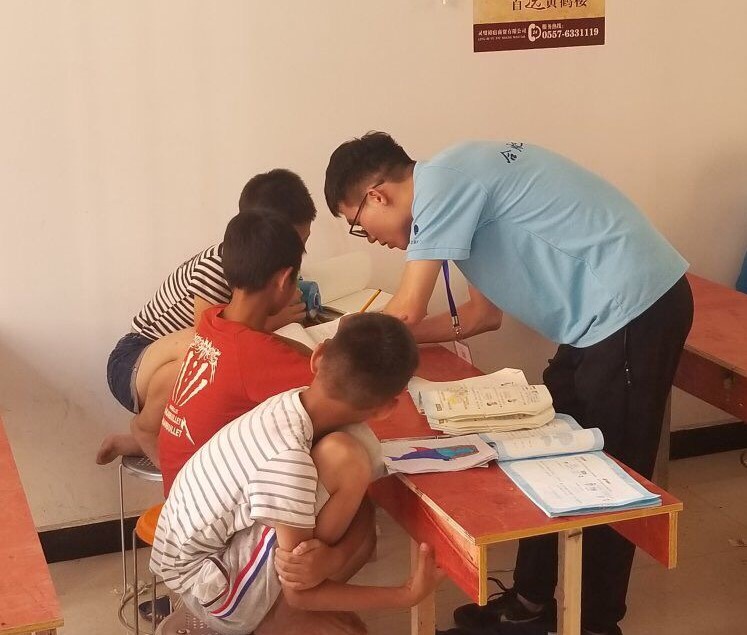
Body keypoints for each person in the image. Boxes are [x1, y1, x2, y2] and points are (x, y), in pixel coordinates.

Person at [324, 132, 694, 635]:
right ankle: (529, 604)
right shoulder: (454, 188)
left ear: (376, 196)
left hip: (634, 308)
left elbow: (406, 310)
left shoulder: (442, 187)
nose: (374, 239)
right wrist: (384, 336)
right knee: (545, 451)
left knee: (610, 477)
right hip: (599, 322)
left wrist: (339, 345)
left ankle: (596, 623)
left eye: (359, 226)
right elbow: (481, 316)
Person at [151, 312, 444, 635]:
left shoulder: (291, 405)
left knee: (350, 457)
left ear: (317, 356)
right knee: (347, 459)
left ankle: (287, 607)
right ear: (387, 408)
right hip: (210, 591)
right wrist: (406, 594)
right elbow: (301, 592)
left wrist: (333, 558)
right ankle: (276, 619)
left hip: (194, 556)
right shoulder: (289, 462)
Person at [97, 169, 315, 466]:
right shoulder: (216, 266)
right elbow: (211, 337)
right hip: (134, 361)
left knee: (231, 379)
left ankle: (138, 441)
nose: (300, 253)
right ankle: (147, 428)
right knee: (211, 354)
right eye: (297, 244)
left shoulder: (248, 270)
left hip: (171, 364)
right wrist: (275, 322)